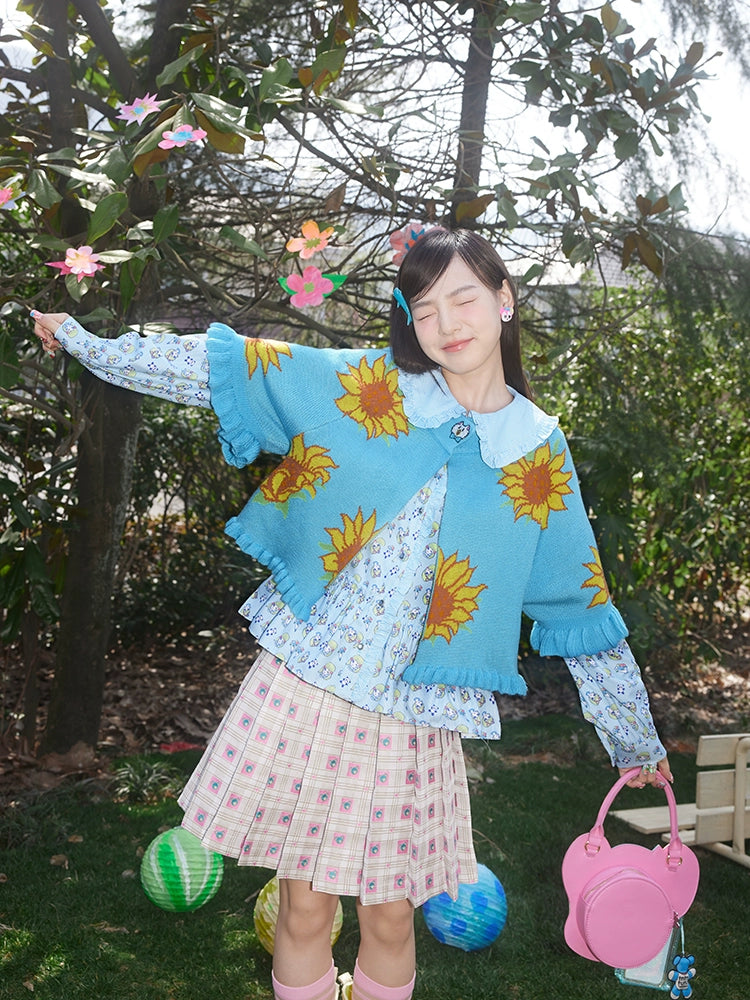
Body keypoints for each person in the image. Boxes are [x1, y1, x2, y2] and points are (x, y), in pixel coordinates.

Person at [32, 228, 672, 1000]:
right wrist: (90, 345)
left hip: (416, 710)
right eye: (424, 309)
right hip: (313, 681)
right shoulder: (372, 388)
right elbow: (228, 368)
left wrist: (632, 736)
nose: (446, 323)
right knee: (304, 907)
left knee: (391, 919)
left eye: (464, 298)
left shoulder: (537, 449)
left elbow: (580, 602)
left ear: (504, 300)